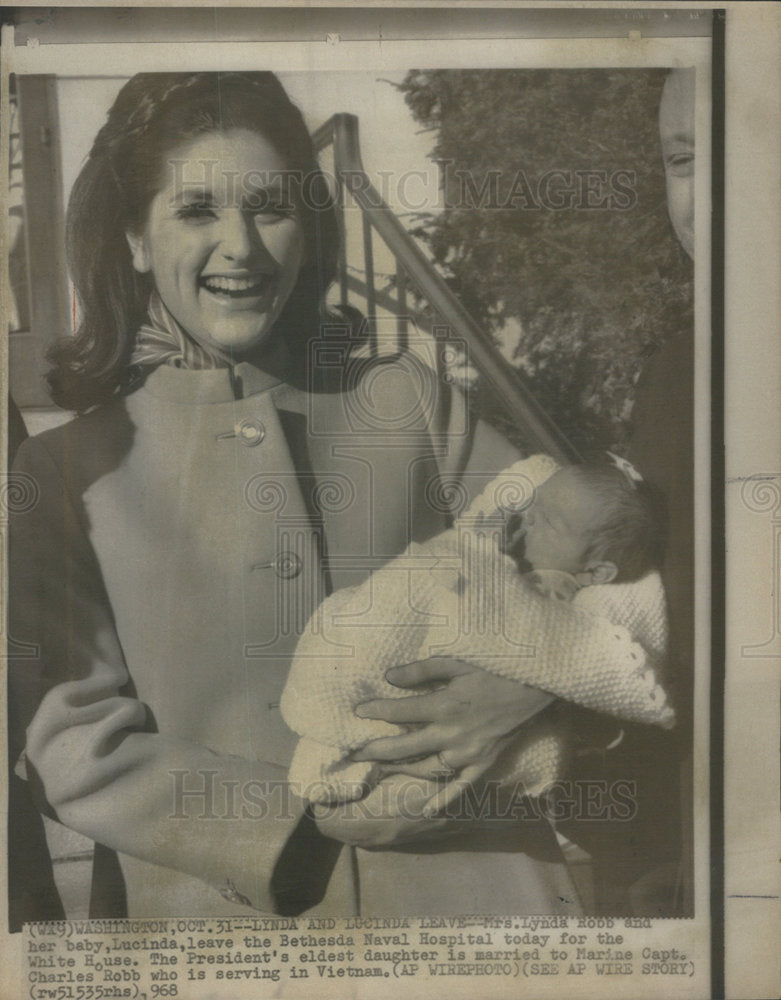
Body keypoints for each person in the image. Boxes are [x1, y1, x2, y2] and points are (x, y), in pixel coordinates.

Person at [8, 71, 667, 919]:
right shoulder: (64, 471)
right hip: (218, 932)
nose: (241, 247)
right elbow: (70, 741)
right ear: (135, 238)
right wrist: (297, 826)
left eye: (271, 209)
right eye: (198, 211)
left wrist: (537, 693)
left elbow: (607, 583)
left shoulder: (406, 402)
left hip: (479, 906)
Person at [283, 454, 672, 806]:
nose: (528, 519)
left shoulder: (557, 586)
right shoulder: (523, 548)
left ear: (596, 572)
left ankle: (340, 740)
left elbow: (536, 633)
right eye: (533, 506)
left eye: (550, 522)